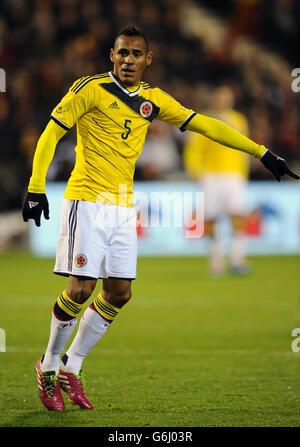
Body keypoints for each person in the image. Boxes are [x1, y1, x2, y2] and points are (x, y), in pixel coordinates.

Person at [22, 25, 299, 412]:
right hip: (86, 201)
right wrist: (36, 186)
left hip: (122, 207)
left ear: (148, 59)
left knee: (120, 293)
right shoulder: (88, 89)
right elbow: (50, 133)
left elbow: (205, 123)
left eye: (136, 54)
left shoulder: (153, 99)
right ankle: (48, 365)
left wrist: (261, 152)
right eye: (122, 53)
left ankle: (73, 364)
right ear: (111, 55)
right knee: (81, 288)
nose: (128, 60)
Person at [183, 85, 251, 276]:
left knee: (237, 216)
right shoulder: (204, 119)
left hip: (233, 175)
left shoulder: (239, 120)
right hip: (210, 175)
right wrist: (195, 170)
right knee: (211, 219)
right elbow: (194, 148)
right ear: (215, 99)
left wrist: (243, 173)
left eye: (227, 97)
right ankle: (216, 260)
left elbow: (243, 147)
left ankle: (238, 259)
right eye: (221, 97)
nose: (224, 100)